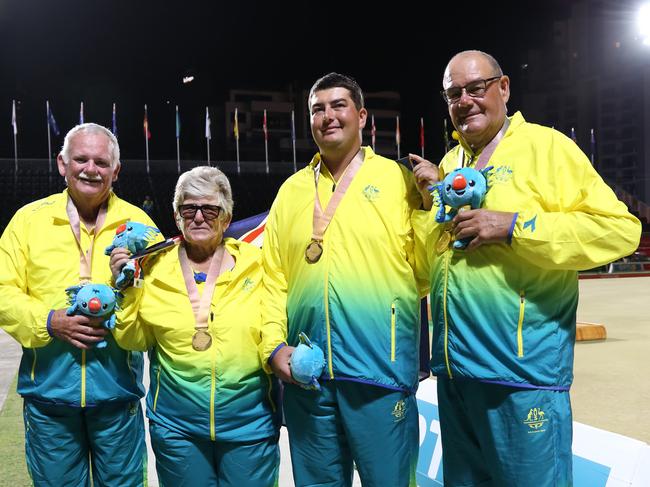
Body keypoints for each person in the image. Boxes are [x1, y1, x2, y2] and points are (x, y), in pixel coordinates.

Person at [421, 50, 642, 486]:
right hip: (455, 375)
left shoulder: (549, 147)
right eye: (453, 93)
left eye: (476, 88)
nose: (464, 100)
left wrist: (515, 226)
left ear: (503, 88)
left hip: (521, 375)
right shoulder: (451, 164)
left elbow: (620, 231)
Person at [260, 72, 432, 486]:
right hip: (308, 376)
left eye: (338, 106)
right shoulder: (291, 191)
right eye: (318, 109)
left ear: (362, 115)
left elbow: (425, 273)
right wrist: (273, 347)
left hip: (381, 372)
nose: (328, 116)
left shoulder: (397, 181)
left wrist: (429, 207)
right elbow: (272, 279)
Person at [0, 123, 158, 486]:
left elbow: (160, 299)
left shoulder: (142, 227)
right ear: (62, 163)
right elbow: (3, 290)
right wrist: (49, 320)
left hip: (117, 399)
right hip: (49, 399)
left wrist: (130, 289)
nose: (91, 169)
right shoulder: (28, 221)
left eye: (101, 162)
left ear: (115, 171)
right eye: (81, 159)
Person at [110, 166, 280, 486]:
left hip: (250, 426)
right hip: (178, 431)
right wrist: (126, 289)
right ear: (177, 217)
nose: (199, 217)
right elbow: (133, 339)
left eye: (210, 209)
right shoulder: (153, 266)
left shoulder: (259, 264)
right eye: (189, 209)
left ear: (226, 218)